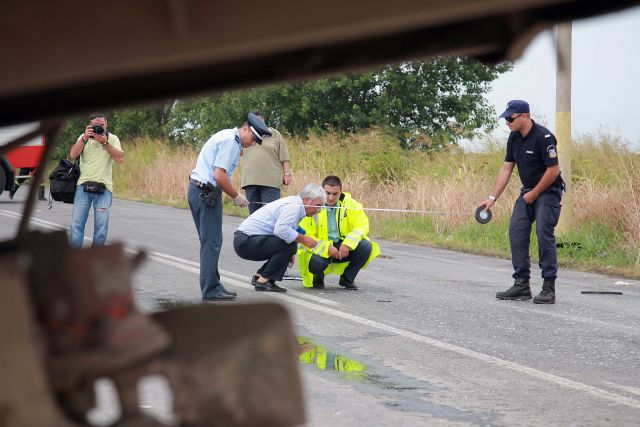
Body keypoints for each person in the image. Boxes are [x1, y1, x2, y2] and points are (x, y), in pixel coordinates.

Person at [480, 100, 564, 304]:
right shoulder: (514, 138)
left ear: (524, 116)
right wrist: (492, 199)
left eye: (510, 118)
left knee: (544, 233)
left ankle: (548, 287)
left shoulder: (544, 137)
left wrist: (535, 193)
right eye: (506, 118)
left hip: (548, 191)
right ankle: (521, 285)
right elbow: (506, 168)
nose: (507, 122)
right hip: (528, 193)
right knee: (516, 232)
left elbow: (553, 170)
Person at [189, 112, 272, 302]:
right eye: (253, 139)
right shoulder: (230, 141)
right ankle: (210, 289)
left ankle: (214, 284)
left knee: (212, 241)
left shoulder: (229, 137)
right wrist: (236, 196)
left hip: (203, 191)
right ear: (245, 128)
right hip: (205, 193)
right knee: (211, 243)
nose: (252, 144)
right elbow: (219, 175)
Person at [233, 183, 325, 292]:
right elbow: (281, 230)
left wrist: (289, 252)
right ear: (307, 200)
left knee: (289, 245)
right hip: (245, 241)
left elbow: (288, 231)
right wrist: (303, 240)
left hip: (246, 240)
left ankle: (260, 277)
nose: (318, 210)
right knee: (289, 245)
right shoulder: (294, 207)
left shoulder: (295, 203)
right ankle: (264, 282)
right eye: (318, 205)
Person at [297, 175, 380, 290]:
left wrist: (348, 243)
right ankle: (318, 277)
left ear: (341, 191)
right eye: (327, 193)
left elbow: (362, 226)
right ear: (322, 191)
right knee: (316, 262)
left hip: (343, 246)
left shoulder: (352, 205)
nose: (330, 198)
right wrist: (327, 248)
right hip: (322, 247)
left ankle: (347, 279)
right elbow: (306, 235)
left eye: (335, 194)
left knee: (366, 246)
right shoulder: (312, 206)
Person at [69, 113, 124, 248]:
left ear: (107, 124)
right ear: (90, 126)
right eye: (96, 126)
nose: (99, 128)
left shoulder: (112, 138)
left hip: (104, 188)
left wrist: (105, 143)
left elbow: (120, 159)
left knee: (101, 228)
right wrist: (84, 138)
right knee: (76, 225)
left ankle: (94, 259)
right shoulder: (84, 138)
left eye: (102, 125)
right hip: (83, 186)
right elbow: (72, 155)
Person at [241, 110, 292, 214]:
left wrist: (287, 174)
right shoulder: (246, 136)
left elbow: (284, 156)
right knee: (254, 217)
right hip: (250, 181)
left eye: (260, 122)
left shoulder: (274, 134)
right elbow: (238, 152)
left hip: (270, 182)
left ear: (263, 121)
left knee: (270, 214)